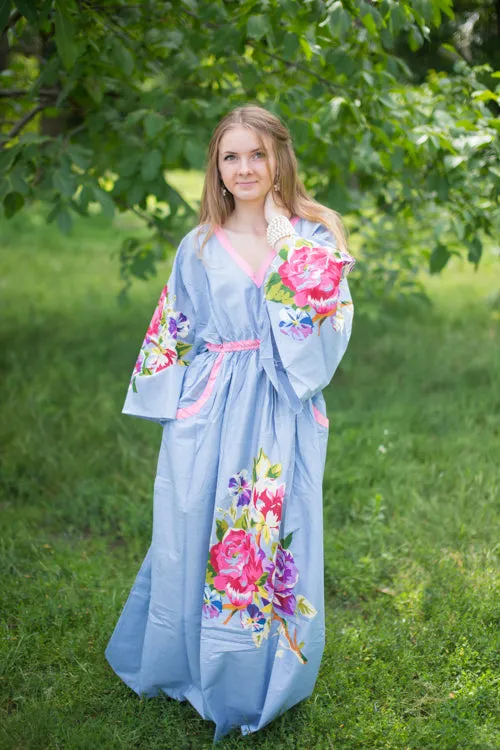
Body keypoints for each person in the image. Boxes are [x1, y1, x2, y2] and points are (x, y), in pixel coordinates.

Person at [105, 104, 356, 741]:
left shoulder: (314, 234)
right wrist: (173, 404)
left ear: (279, 159)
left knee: (263, 533)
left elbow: (326, 322)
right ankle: (183, 659)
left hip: (275, 403)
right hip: (207, 401)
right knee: (191, 522)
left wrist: (281, 235)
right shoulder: (198, 244)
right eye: (230, 156)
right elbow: (176, 324)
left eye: (256, 155)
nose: (244, 168)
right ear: (215, 167)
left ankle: (252, 674)